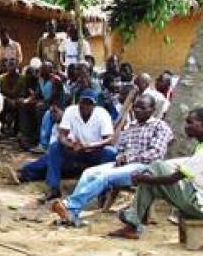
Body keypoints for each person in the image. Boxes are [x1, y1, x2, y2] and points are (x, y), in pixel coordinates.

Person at [51, 94, 173, 226]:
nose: (137, 110)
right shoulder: (131, 126)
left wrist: (129, 158)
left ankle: (69, 205)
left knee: (105, 176)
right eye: (136, 107)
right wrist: (120, 156)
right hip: (125, 165)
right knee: (89, 173)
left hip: (146, 167)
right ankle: (72, 214)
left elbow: (156, 153)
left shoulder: (160, 126)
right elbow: (121, 148)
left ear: (152, 110)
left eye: (142, 108)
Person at [109, 108, 203, 240]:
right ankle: (132, 225)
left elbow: (172, 179)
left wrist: (141, 177)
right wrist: (146, 178)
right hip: (195, 197)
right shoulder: (200, 147)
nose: (186, 126)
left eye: (190, 122)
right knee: (150, 178)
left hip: (198, 205)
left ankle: (133, 219)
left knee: (155, 168)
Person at [15, 89, 116, 201]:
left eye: (89, 103)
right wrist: (70, 145)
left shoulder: (102, 114)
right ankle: (53, 187)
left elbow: (110, 139)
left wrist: (89, 145)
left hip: (94, 152)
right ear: (78, 102)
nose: (86, 106)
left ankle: (103, 191)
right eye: (83, 102)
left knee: (110, 152)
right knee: (55, 148)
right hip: (75, 151)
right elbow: (62, 135)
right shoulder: (71, 111)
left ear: (94, 105)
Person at [0, 58, 25, 136]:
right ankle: (1, 128)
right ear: (7, 66)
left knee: (21, 104)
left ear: (17, 66)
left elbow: (23, 93)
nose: (11, 67)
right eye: (9, 65)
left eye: (13, 65)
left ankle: (18, 130)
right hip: (5, 100)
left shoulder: (22, 78)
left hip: (17, 100)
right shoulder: (1, 78)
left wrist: (15, 100)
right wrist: (7, 99)